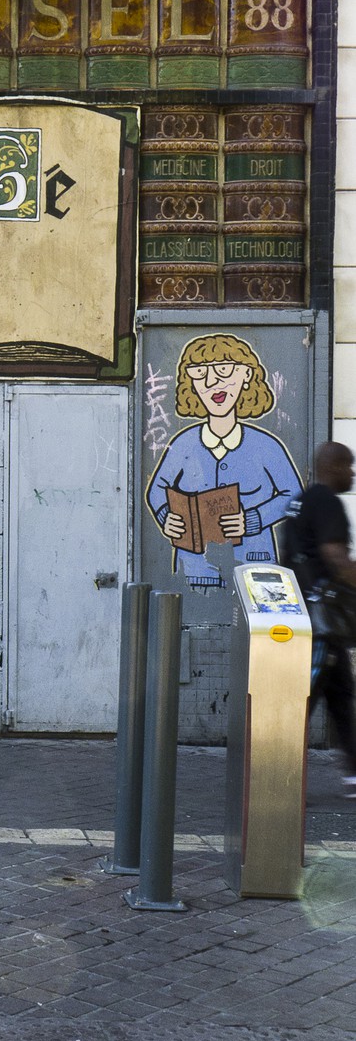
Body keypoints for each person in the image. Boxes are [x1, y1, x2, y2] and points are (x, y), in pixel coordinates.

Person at [146, 333, 302, 586]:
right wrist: (166, 516)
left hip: (255, 566)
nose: (212, 382)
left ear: (247, 375)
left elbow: (293, 494)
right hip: (196, 569)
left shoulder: (266, 446)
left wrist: (252, 520)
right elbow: (157, 489)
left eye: (224, 370)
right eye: (200, 373)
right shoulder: (184, 444)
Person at [281, 441, 356, 793]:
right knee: (305, 699)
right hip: (321, 622)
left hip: (307, 616)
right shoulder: (327, 502)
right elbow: (336, 559)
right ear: (335, 466)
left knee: (340, 695)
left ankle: (353, 772)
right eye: (349, 465)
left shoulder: (299, 502)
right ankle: (278, 779)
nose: (352, 473)